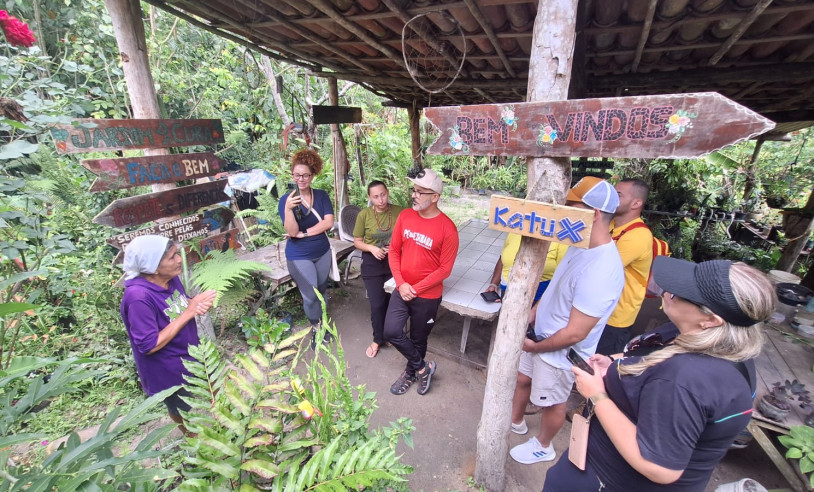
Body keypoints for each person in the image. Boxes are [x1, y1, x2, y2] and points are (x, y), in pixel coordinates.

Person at [543, 258, 777, 492]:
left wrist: (597, 395)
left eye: (679, 293)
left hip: (610, 482)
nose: (667, 291)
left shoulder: (683, 379)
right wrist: (616, 361)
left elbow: (659, 468)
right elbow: (654, 355)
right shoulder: (721, 346)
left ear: (710, 320)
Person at [509, 176, 624, 465]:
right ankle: (515, 420)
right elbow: (557, 287)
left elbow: (576, 333)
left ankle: (543, 445)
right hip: (540, 335)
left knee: (552, 401)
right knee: (522, 379)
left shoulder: (603, 269)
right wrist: (534, 312)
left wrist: (536, 347)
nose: (563, 211)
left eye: (571, 205)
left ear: (593, 214)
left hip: (559, 352)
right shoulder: (579, 243)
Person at [120, 235, 217, 434]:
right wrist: (189, 311)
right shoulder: (138, 298)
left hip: (189, 353)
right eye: (172, 257)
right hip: (166, 369)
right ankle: (193, 441)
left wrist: (194, 303)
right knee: (181, 408)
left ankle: (219, 428)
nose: (179, 259)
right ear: (153, 267)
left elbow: (178, 305)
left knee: (211, 390)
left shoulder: (170, 279)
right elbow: (149, 345)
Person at [384, 168, 458, 396]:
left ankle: (410, 373)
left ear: (435, 197)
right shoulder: (405, 216)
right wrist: (401, 283)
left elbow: (445, 269)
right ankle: (423, 368)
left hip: (427, 296)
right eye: (414, 190)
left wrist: (415, 289)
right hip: (403, 288)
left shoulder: (448, 228)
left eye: (420, 192)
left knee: (419, 338)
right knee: (391, 331)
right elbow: (394, 251)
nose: (413, 195)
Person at [277, 148, 335, 348]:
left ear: (312, 175)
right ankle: (316, 329)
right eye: (297, 175)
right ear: (292, 175)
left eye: (305, 175)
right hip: (299, 254)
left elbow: (328, 222)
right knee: (311, 296)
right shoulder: (286, 200)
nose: (300, 179)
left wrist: (306, 233)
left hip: (322, 251)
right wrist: (288, 209)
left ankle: (324, 324)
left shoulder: (321, 196)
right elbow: (292, 232)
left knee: (322, 291)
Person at [595, 178, 654, 355]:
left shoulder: (638, 236)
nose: (612, 198)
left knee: (599, 363)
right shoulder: (611, 224)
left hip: (615, 317)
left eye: (618, 195)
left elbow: (600, 269)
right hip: (597, 309)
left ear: (636, 203)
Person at [352, 180, 405, 358]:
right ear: (369, 197)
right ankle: (377, 339)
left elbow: (408, 236)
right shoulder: (364, 215)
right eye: (375, 197)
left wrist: (396, 247)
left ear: (387, 192)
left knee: (392, 302)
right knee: (377, 304)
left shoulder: (400, 212)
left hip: (395, 261)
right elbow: (357, 241)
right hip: (372, 262)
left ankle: (388, 335)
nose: (380, 200)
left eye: (383, 195)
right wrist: (372, 248)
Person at [484, 233, 569, 303]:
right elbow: (502, 259)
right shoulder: (516, 230)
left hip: (539, 295)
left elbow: (564, 273)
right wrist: (493, 284)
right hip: (508, 290)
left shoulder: (560, 238)